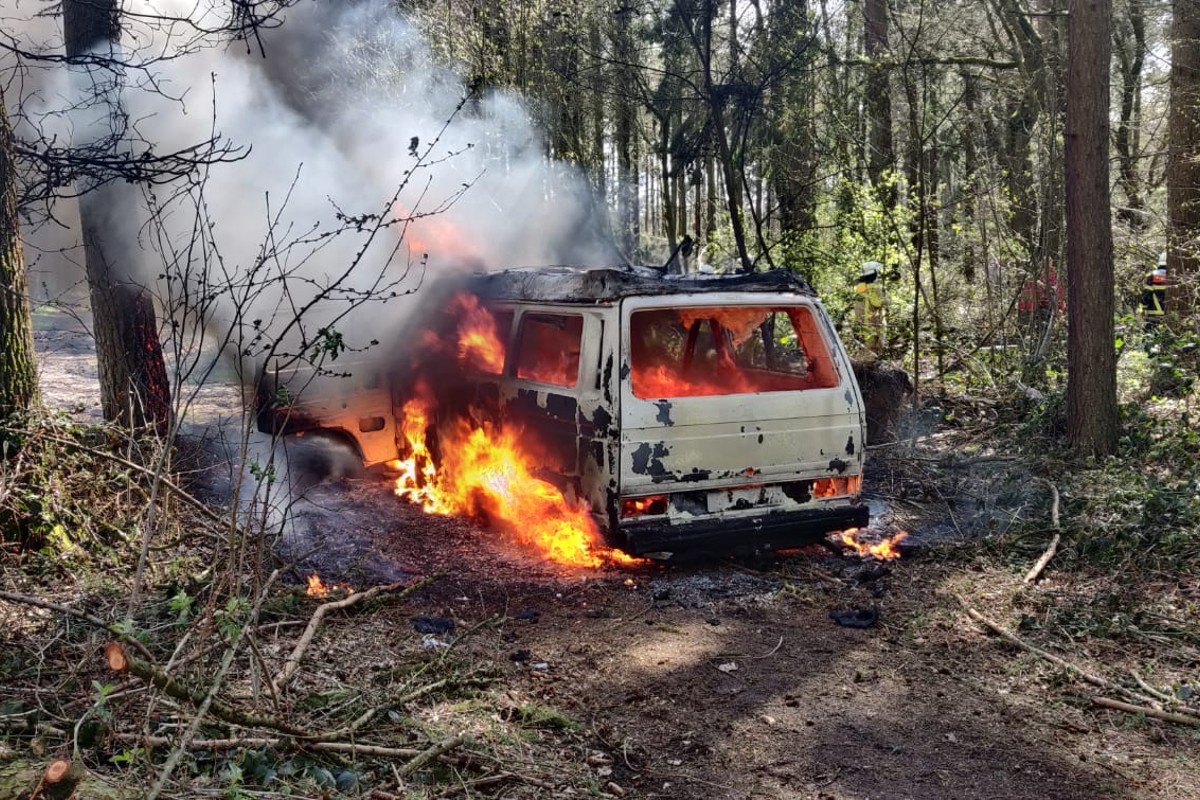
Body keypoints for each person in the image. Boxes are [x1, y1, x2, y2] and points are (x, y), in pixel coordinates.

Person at [853, 261, 888, 353]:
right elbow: (881, 303)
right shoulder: (875, 288)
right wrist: (886, 295)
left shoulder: (859, 288)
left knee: (866, 350)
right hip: (873, 323)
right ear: (874, 274)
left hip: (861, 323)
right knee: (876, 349)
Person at [1139, 252, 1178, 331]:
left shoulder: (1153, 275)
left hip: (1154, 316)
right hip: (1172, 317)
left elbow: (1146, 296)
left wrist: (1142, 308)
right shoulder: (1176, 276)